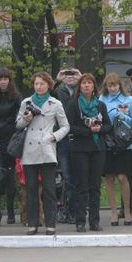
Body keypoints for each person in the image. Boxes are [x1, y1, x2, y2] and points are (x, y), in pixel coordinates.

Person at [17, 72, 70, 235]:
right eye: (36, 84)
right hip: (30, 149)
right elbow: (18, 125)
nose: (38, 87)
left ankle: (50, 224)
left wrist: (54, 136)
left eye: (41, 84)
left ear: (48, 85)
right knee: (31, 189)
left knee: (49, 189)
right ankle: (32, 223)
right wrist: (26, 119)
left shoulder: (55, 103)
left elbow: (65, 126)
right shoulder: (26, 102)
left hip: (47, 148)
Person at [66, 73, 111, 232]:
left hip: (98, 148)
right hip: (80, 149)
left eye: (89, 83)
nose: (86, 86)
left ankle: (94, 221)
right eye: (83, 83)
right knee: (81, 186)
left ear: (94, 86)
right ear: (80, 86)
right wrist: (87, 129)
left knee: (95, 186)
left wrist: (99, 129)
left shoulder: (100, 105)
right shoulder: (73, 104)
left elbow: (108, 126)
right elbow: (69, 127)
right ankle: (80, 221)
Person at [0, 67, 22, 226]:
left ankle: (10, 211)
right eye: (0, 79)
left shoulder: (16, 97)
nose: (2, 82)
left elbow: (19, 119)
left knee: (10, 177)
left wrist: (14, 139)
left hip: (11, 140)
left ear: (9, 80)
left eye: (5, 79)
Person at [100, 73, 132, 226]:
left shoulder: (129, 100)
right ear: (106, 87)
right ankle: (114, 212)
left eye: (115, 85)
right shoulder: (101, 100)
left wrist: (122, 116)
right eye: (110, 85)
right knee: (109, 177)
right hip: (107, 142)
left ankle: (127, 211)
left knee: (122, 177)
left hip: (125, 144)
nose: (112, 88)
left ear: (119, 85)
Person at [53, 67, 81, 223]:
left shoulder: (82, 90)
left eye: (73, 75)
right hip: (63, 139)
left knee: (79, 177)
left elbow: (94, 93)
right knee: (67, 177)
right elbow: (46, 94)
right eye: (67, 75)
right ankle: (69, 211)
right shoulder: (58, 92)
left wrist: (82, 78)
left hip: (79, 138)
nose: (70, 77)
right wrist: (57, 80)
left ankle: (78, 210)